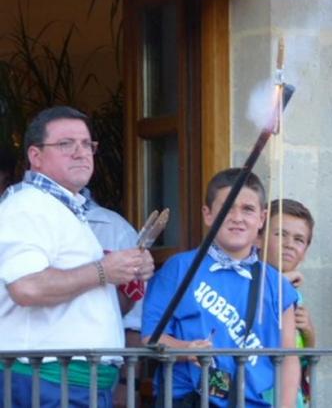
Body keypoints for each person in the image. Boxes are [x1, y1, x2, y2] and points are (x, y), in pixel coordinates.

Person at [0, 106, 155, 407]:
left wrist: (127, 273)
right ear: (35, 156)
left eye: (86, 144)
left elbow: (89, 303)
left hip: (75, 383)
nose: (80, 152)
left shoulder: (64, 209)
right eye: (65, 144)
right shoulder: (26, 206)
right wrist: (103, 270)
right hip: (47, 382)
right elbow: (26, 287)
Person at [142, 168, 300, 407]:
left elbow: (288, 357)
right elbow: (150, 338)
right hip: (187, 400)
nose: (237, 217)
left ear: (262, 218)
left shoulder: (278, 284)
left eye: (248, 209)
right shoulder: (179, 268)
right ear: (208, 215)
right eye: (227, 207)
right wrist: (186, 349)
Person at [85, 192, 147, 407]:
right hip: (19, 372)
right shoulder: (16, 211)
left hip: (97, 378)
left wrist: (128, 384)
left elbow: (134, 323)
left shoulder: (114, 229)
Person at [266, 198, 316, 407]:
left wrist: (309, 332)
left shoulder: (295, 294)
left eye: (299, 239)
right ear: (259, 237)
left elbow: (305, 361)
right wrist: (280, 282)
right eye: (280, 234)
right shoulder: (246, 282)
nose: (289, 244)